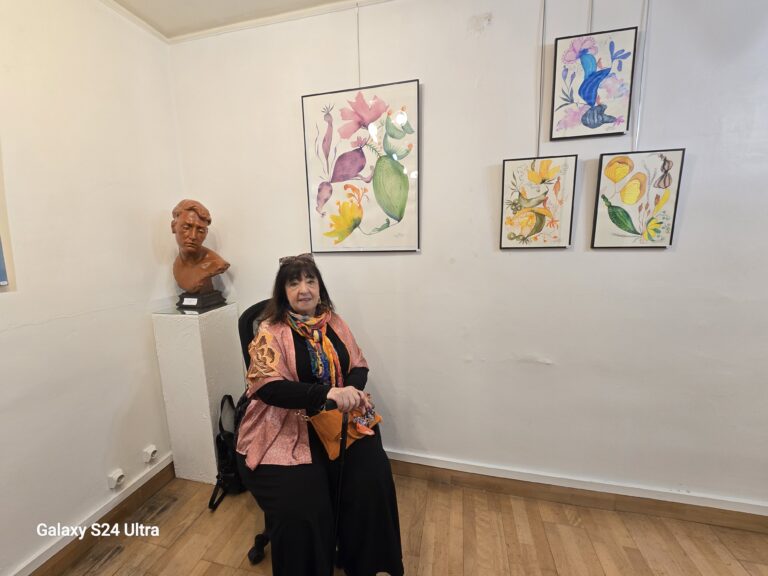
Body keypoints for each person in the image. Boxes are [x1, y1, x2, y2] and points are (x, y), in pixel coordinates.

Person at [236, 253, 403, 576]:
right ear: (282, 292)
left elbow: (358, 365)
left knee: (372, 479)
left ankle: (365, 564)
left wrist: (349, 393)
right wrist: (326, 394)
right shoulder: (270, 331)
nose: (304, 289)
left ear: (320, 288)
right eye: (294, 283)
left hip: (336, 417)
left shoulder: (334, 322)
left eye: (310, 281)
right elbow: (267, 388)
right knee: (303, 506)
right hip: (282, 425)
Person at [170, 199, 229, 293]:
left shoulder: (216, 263)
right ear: (173, 227)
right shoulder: (178, 262)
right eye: (186, 228)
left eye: (201, 231)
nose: (193, 236)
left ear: (206, 233)